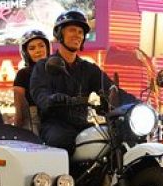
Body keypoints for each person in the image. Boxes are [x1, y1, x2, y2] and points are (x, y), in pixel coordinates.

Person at [30, 10, 134, 154]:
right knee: (62, 140)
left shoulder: (88, 69)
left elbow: (111, 89)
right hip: (55, 124)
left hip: (82, 124)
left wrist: (135, 104)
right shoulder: (43, 66)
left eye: (80, 32)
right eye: (72, 30)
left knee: (113, 139)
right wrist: (51, 99)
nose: (78, 35)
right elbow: (40, 93)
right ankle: (64, 177)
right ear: (59, 33)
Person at [13, 29, 50, 134]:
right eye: (32, 48)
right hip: (32, 124)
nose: (38, 50)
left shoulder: (58, 71)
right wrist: (16, 133)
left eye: (41, 46)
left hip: (58, 122)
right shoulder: (22, 74)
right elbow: (19, 109)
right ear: (26, 53)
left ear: (47, 48)